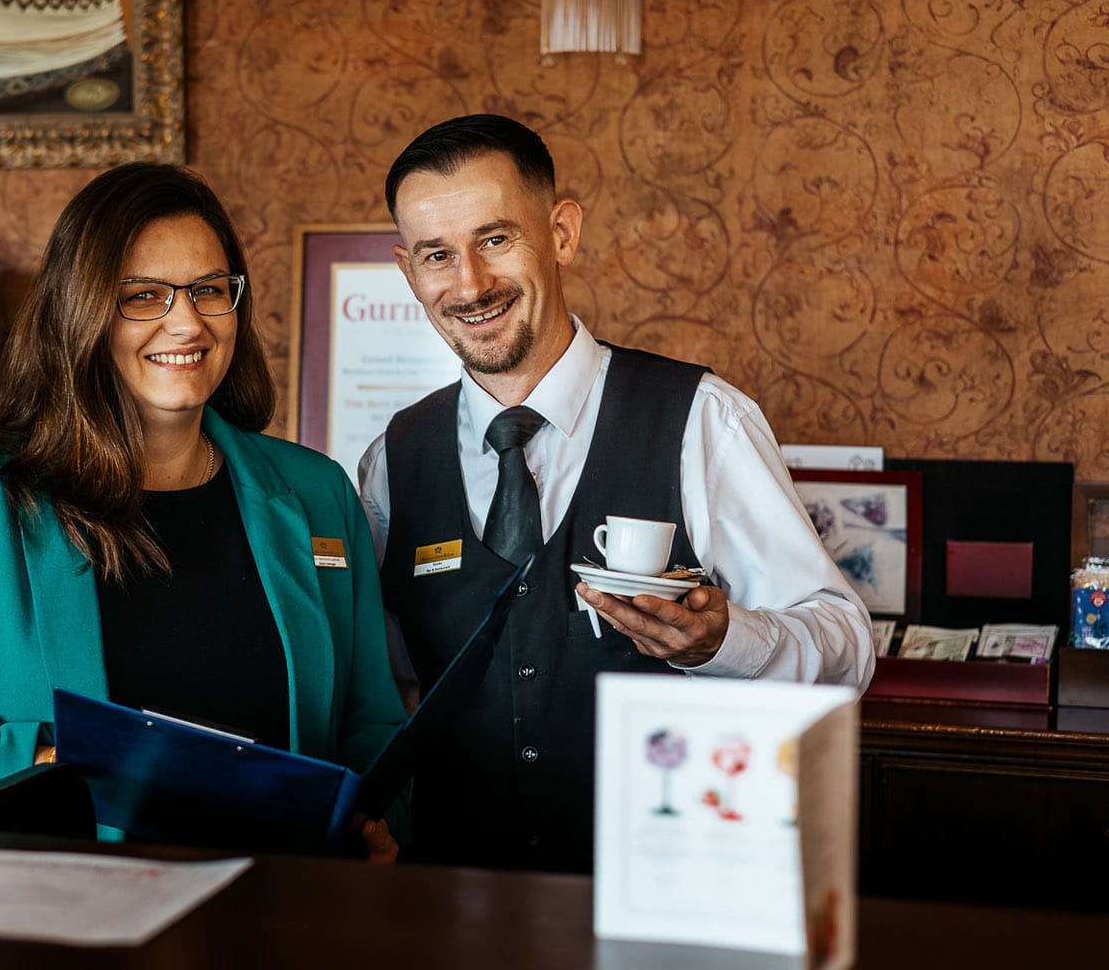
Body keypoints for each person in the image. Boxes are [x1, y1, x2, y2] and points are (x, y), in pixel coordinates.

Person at [0, 162, 407, 859]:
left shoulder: (319, 494)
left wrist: (376, 823)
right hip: (57, 920)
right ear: (79, 311)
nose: (188, 322)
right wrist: (73, 761)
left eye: (208, 290)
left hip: (275, 916)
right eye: (143, 295)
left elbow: (370, 726)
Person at [357, 114, 873, 873]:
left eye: (496, 239)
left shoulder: (703, 419)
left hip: (667, 889)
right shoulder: (389, 462)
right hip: (455, 902)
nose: (469, 284)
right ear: (410, 272)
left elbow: (847, 646)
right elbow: (383, 690)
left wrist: (724, 642)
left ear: (561, 232)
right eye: (438, 254)